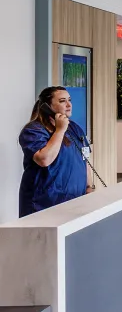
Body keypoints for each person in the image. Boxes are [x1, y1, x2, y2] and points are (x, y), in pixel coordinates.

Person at [18, 86, 94, 217]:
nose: (69, 104)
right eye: (62, 101)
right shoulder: (33, 130)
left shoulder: (75, 128)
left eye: (69, 100)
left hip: (75, 201)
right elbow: (44, 159)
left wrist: (89, 187)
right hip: (44, 205)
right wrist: (60, 130)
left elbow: (84, 159)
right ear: (47, 106)